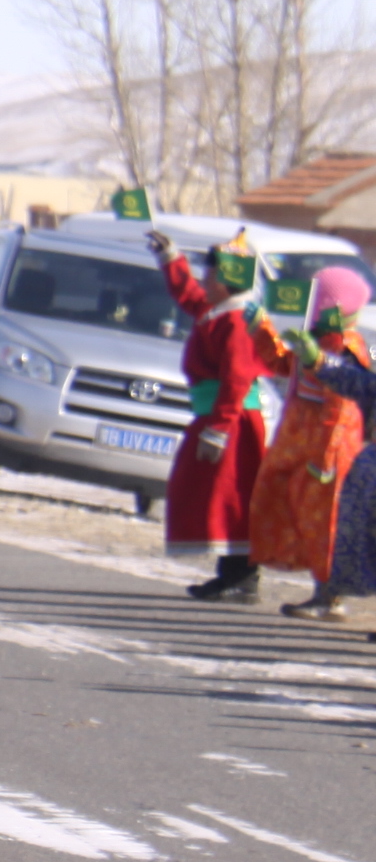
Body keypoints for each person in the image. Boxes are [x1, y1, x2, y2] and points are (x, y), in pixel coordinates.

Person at [149, 228, 280, 602]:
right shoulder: (216, 311)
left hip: (233, 421)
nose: (205, 278)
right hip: (216, 417)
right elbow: (189, 296)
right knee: (212, 494)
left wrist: (220, 429)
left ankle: (242, 575)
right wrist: (171, 259)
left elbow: (238, 379)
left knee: (233, 496)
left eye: (211, 273)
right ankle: (234, 573)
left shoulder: (238, 322)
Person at [260, 267, 374, 619]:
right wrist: (263, 331)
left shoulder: (346, 345)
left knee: (330, 525)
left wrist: (326, 456)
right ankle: (325, 592)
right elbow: (287, 367)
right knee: (312, 522)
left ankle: (330, 596)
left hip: (331, 450)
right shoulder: (319, 341)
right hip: (307, 446)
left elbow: (342, 407)